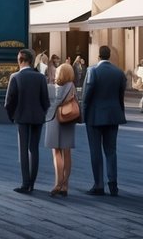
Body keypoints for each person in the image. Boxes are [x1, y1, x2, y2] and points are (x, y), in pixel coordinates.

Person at [81, 44, 126, 196]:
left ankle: (98, 185)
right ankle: (113, 184)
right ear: (109, 56)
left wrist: (83, 114)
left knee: (96, 151)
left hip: (94, 116)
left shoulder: (92, 70)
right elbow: (121, 97)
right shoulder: (119, 73)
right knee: (111, 151)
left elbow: (86, 96)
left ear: (98, 56)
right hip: (113, 116)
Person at [3, 48, 49, 194]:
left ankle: (25, 183)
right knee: (34, 149)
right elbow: (46, 101)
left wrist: (12, 116)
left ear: (21, 60)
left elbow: (9, 101)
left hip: (22, 117)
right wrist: (41, 113)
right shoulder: (40, 77)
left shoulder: (15, 77)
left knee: (23, 150)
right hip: (38, 117)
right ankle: (32, 183)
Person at [44, 62, 78, 197]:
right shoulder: (71, 86)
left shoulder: (50, 88)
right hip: (68, 119)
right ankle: (65, 185)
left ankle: (57, 183)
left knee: (56, 152)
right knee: (67, 152)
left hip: (52, 120)